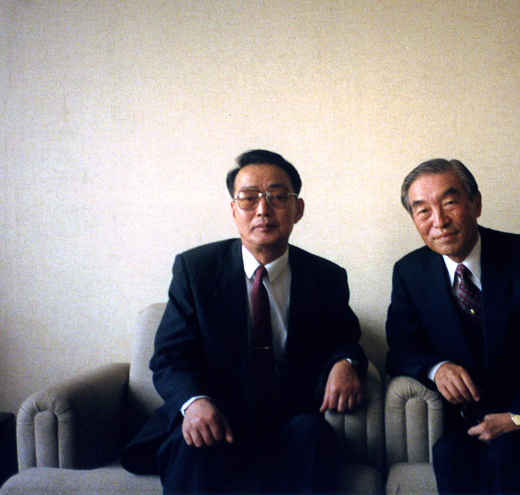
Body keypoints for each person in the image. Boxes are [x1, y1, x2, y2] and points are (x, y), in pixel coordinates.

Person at [121, 149, 367, 494]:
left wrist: (345, 363)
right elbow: (169, 357)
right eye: (249, 198)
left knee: (313, 434)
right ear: (233, 210)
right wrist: (194, 403)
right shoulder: (196, 270)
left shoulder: (325, 276)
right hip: (216, 418)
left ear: (297, 209)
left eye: (278, 196)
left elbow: (346, 339)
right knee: (194, 441)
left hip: (288, 423)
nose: (263, 210)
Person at [385, 158, 520, 494]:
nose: (439, 221)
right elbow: (401, 351)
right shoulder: (410, 273)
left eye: (450, 203)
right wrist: (437, 368)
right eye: (423, 211)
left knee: (508, 454)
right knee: (448, 452)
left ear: (475, 203)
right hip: (482, 422)